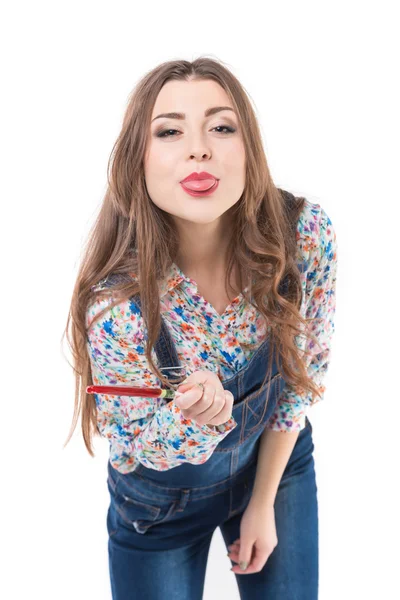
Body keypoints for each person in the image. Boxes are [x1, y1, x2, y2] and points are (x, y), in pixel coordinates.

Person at [63, 57, 338, 600]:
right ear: (136, 161)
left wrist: (262, 504)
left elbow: (304, 376)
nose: (199, 149)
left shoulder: (302, 235)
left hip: (275, 466)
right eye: (169, 131)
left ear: (248, 148)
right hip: (157, 511)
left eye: (221, 127)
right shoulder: (117, 304)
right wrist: (196, 422)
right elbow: (136, 444)